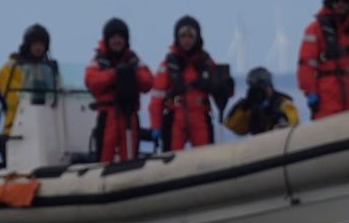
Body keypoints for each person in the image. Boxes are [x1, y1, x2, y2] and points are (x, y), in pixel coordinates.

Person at [148, 15, 233, 151]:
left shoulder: (207, 63)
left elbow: (223, 89)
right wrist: (156, 126)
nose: (186, 40)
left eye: (190, 36)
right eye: (183, 36)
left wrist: (227, 85)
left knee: (205, 158)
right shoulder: (168, 65)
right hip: (175, 118)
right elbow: (156, 99)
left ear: (197, 38)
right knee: (172, 159)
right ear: (177, 38)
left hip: (201, 118)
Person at [84, 18, 154, 163]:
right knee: (105, 158)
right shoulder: (98, 61)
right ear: (107, 39)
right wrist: (115, 74)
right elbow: (92, 82)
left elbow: (148, 82)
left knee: (130, 157)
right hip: (107, 116)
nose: (117, 41)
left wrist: (131, 74)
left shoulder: (134, 60)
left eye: (120, 37)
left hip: (129, 116)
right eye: (113, 37)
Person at [0, 24, 60, 135]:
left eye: (42, 44)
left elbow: (59, 92)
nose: (39, 48)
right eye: (35, 44)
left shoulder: (49, 69)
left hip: (46, 128)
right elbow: (14, 100)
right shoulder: (10, 68)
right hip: (16, 129)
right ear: (27, 45)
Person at [224, 66, 300, 136]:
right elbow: (234, 126)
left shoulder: (282, 102)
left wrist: (277, 116)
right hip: (259, 145)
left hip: (280, 143)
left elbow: (294, 123)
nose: (261, 92)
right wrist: (245, 108)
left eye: (264, 87)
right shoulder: (249, 106)